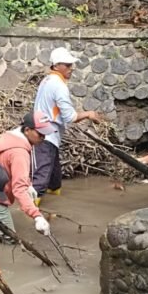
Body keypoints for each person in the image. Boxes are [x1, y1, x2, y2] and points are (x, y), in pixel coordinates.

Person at [32, 47, 103, 205]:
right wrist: (89, 114)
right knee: (41, 175)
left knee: (54, 176)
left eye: (71, 65)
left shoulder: (47, 80)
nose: (72, 68)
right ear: (57, 66)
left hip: (46, 132)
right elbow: (70, 117)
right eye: (68, 65)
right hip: (46, 134)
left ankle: (54, 191)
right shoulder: (59, 86)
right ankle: (31, 205)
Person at [0, 110, 57, 243]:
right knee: (11, 240)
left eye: (45, 134)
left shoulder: (12, 139)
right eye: (40, 133)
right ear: (27, 130)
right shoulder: (19, 153)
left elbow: (15, 172)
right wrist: (36, 216)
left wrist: (28, 184)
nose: (43, 137)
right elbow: (19, 190)